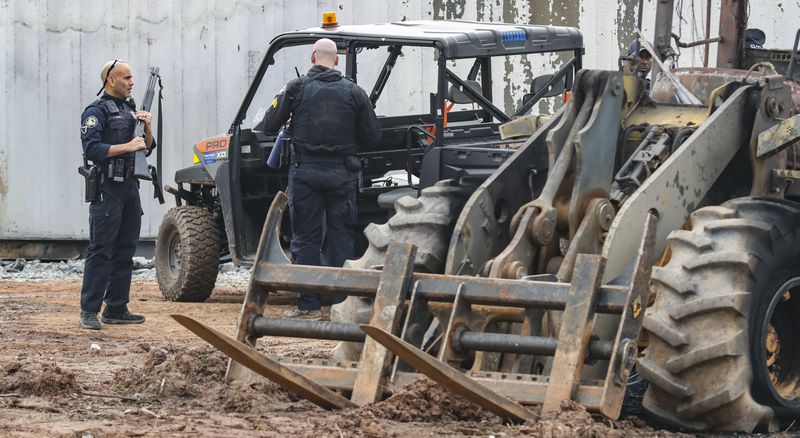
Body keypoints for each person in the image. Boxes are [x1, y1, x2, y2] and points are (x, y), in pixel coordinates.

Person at [262, 38, 381, 320]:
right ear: (337, 61)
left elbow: (269, 125)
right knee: (342, 238)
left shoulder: (296, 88)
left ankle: (309, 306)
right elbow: (374, 136)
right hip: (342, 175)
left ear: (312, 57)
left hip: (305, 175)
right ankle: (342, 306)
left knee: (305, 239)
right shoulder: (354, 92)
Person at [78, 59, 155, 329]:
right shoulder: (95, 111)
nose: (131, 82)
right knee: (101, 250)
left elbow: (147, 147)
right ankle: (89, 311)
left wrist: (146, 127)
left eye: (133, 78)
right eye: (127, 78)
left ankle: (116, 308)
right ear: (111, 80)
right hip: (107, 189)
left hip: (129, 188)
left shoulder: (130, 109)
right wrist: (127, 146)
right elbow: (92, 149)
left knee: (125, 250)